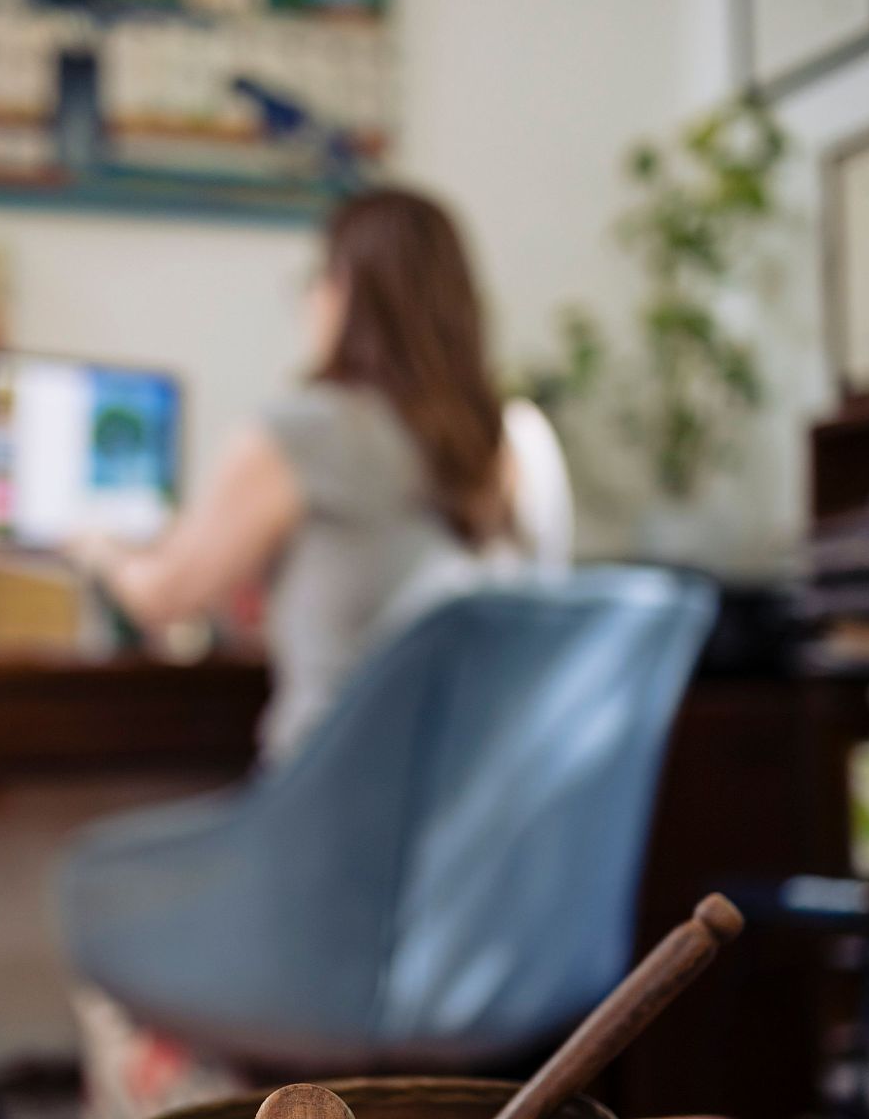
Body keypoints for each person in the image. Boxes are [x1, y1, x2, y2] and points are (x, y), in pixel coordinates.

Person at [68, 186, 573, 760]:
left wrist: (96, 548)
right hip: (481, 795)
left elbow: (165, 597)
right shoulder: (521, 438)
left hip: (336, 796)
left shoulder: (305, 431)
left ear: (345, 291)